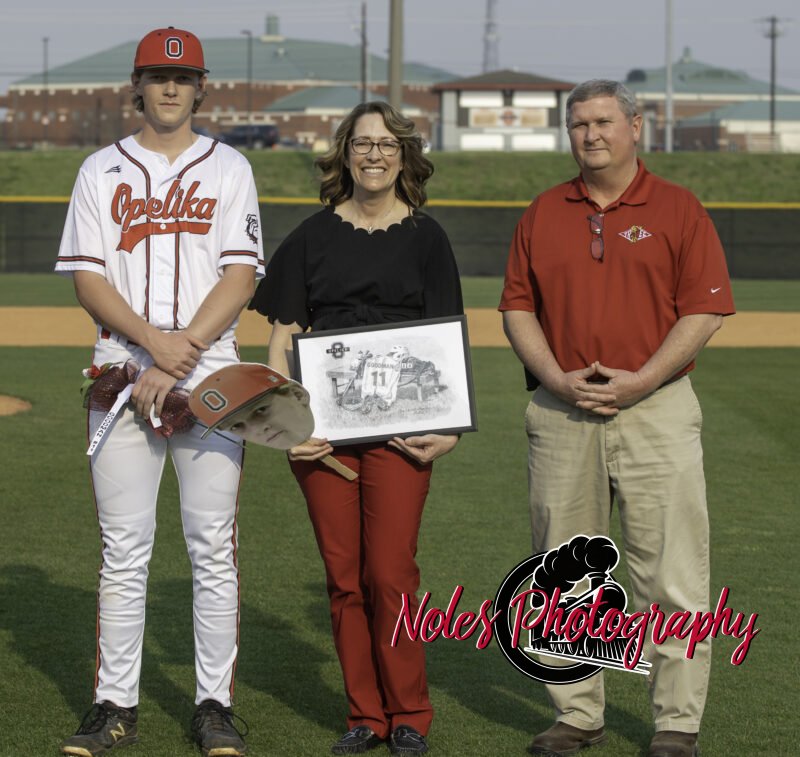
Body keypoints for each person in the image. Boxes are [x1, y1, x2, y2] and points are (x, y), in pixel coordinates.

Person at [499, 80, 735, 757]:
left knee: (673, 574)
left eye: (604, 121)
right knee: (565, 570)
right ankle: (578, 712)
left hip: (655, 408)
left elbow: (706, 308)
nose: (590, 134)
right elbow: (518, 306)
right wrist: (552, 376)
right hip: (561, 408)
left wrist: (644, 379)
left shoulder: (678, 207)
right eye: (578, 123)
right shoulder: (543, 212)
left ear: (636, 124)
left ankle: (676, 722)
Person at [55, 26, 262, 757]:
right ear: (137, 86)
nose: (170, 88)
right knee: (124, 548)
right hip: (120, 369)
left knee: (212, 546)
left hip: (208, 376)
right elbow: (88, 277)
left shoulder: (230, 166)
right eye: (156, 76)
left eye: (183, 77)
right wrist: (152, 343)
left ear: (201, 87)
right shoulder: (99, 170)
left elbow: (240, 275)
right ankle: (115, 703)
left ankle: (214, 704)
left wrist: (176, 359)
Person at [249, 101, 463, 755]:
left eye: (386, 143)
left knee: (391, 572)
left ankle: (408, 713)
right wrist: (288, 427)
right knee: (344, 576)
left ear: (405, 154)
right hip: (322, 434)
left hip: (402, 434)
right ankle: (365, 715)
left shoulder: (428, 238)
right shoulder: (312, 236)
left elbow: (448, 341)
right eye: (361, 143)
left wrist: (449, 428)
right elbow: (281, 338)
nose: (374, 154)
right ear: (345, 154)